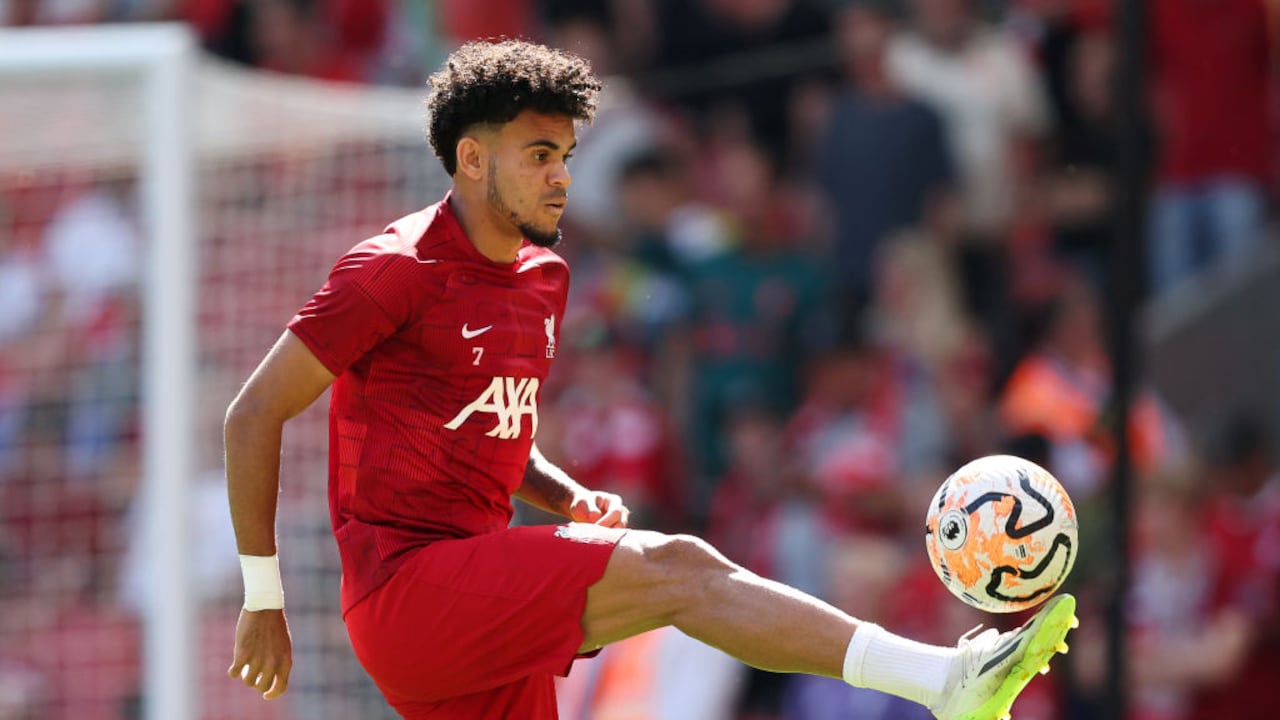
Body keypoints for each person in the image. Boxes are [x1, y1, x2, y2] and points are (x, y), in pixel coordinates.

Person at [223, 39, 1076, 719]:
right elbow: (253, 414)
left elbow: (478, 431)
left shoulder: (543, 279)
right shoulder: (392, 270)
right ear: (473, 160)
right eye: (539, 153)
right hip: (407, 588)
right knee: (680, 569)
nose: (563, 174)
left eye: (565, 152)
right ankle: (943, 679)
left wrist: (564, 497)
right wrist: (264, 596)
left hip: (473, 591)